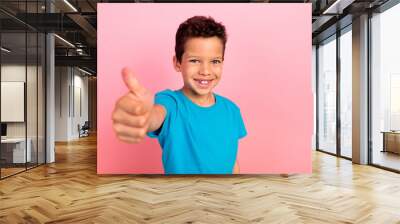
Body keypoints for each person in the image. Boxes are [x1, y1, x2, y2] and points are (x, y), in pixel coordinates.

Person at [112, 16, 247, 174]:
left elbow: (232, 161)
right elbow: (154, 116)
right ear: (177, 63)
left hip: (223, 196)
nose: (205, 71)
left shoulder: (232, 110)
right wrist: (141, 115)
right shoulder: (170, 102)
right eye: (195, 60)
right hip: (180, 196)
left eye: (215, 61)